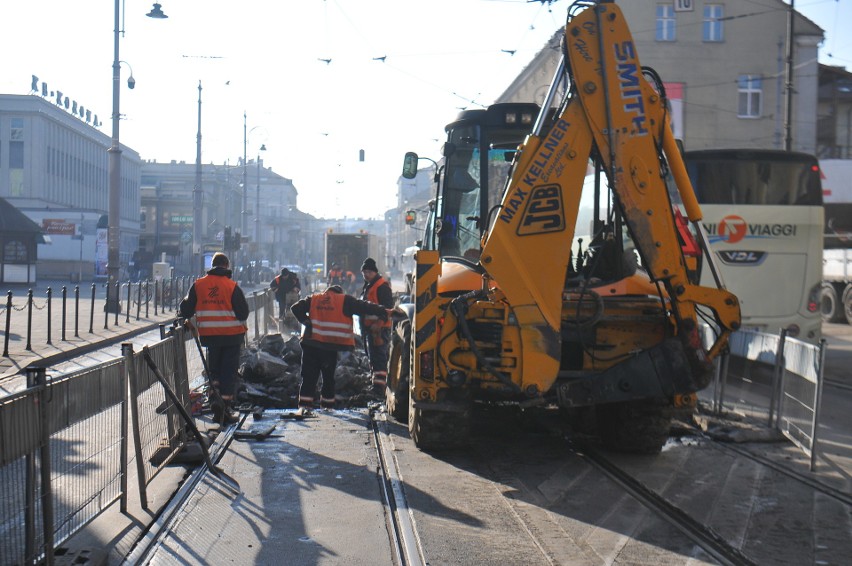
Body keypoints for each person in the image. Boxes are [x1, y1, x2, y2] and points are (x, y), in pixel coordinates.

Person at [290, 285, 390, 412]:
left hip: (310, 345)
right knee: (328, 378)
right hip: (329, 346)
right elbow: (364, 306)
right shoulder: (344, 300)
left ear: (327, 292)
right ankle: (327, 407)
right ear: (340, 292)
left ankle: (304, 406)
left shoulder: (314, 299)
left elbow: (295, 308)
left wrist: (305, 321)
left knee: (308, 377)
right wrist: (382, 310)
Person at [179, 252, 249, 425]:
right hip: (232, 337)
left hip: (210, 337)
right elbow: (243, 313)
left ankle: (214, 400)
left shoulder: (199, 285)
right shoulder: (232, 286)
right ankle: (225, 407)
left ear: (213, 265)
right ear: (226, 265)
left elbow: (186, 309)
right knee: (228, 372)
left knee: (214, 372)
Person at [358, 257, 394, 393]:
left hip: (379, 330)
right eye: (364, 272)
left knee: (379, 357)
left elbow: (388, 308)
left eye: (368, 272)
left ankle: (380, 387)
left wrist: (379, 323)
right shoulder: (369, 285)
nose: (366, 274)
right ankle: (376, 383)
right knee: (373, 357)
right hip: (370, 329)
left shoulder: (381, 286)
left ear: (374, 272)